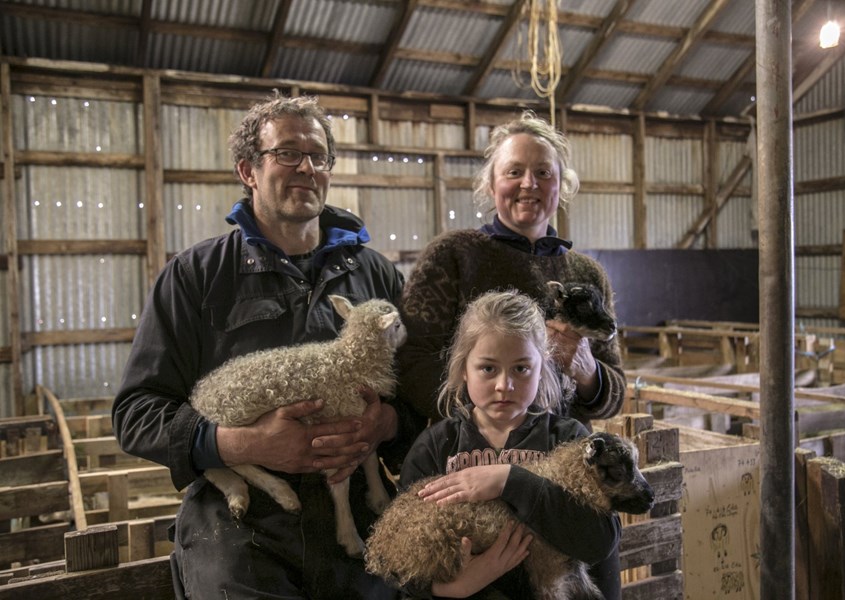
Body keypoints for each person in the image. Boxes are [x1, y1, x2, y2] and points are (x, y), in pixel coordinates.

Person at [112, 93, 412, 599]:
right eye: (288, 153)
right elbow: (136, 413)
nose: (307, 168)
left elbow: (422, 393)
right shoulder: (196, 276)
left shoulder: (375, 275)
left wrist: (386, 423)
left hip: (358, 510)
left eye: (319, 157)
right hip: (243, 522)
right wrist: (241, 444)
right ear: (247, 170)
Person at [396, 110, 625, 429]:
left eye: (543, 172)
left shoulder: (588, 274)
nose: (529, 183)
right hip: (474, 450)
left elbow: (615, 393)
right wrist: (491, 416)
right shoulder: (453, 255)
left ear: (561, 185)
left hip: (568, 451)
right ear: (491, 184)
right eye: (514, 172)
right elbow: (412, 363)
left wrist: (588, 371)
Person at [398, 290, 622, 599]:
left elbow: (601, 540)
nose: (504, 385)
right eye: (488, 368)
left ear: (541, 368)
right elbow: (398, 556)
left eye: (521, 368)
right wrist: (451, 587)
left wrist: (511, 481)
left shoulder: (569, 440)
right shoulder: (435, 448)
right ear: (464, 369)